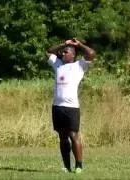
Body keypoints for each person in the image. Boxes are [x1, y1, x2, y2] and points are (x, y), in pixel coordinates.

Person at [46, 38, 96, 173]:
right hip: (57, 106)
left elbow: (91, 54)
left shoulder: (79, 66)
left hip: (72, 107)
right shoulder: (57, 64)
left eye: (66, 52)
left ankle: (78, 166)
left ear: (73, 55)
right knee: (62, 136)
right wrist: (65, 44)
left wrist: (79, 45)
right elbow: (49, 51)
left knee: (73, 135)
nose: (62, 53)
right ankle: (67, 167)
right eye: (62, 52)